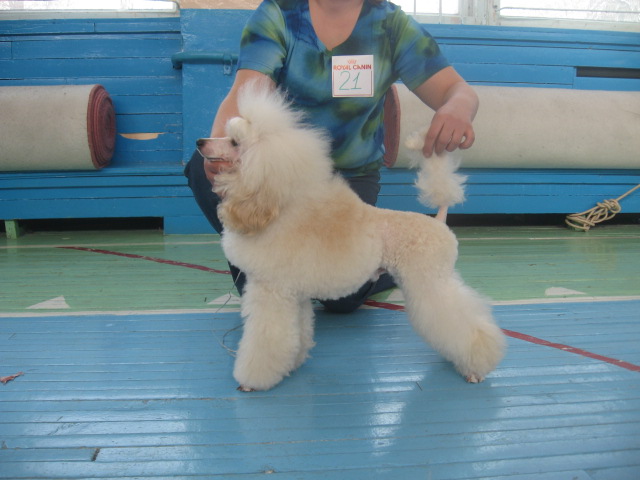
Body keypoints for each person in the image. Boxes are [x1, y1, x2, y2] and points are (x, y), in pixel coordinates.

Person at [185, 0, 479, 313]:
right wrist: (221, 150)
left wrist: (456, 107)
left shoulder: (392, 25)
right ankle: (259, 268)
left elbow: (457, 89)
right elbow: (246, 90)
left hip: (349, 177)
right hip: (287, 178)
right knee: (202, 169)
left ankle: (384, 268)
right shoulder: (279, 13)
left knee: (342, 299)